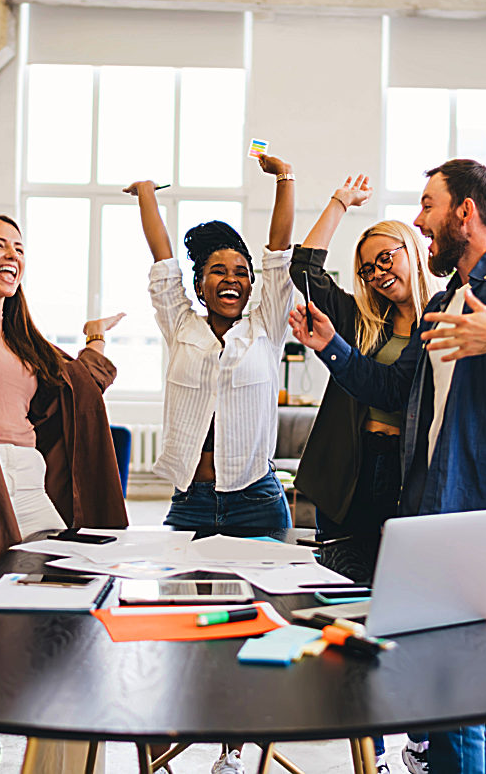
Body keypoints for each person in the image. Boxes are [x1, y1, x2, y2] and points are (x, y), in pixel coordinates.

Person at [290, 158, 486, 774]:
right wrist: (332, 348)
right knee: (465, 673)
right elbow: (394, 388)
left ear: (464, 212)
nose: (420, 222)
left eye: (428, 206)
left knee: (449, 677)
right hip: (445, 515)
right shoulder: (445, 302)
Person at [125, 155, 294, 774]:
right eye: (218, 271)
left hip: (254, 501)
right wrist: (145, 192)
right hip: (191, 502)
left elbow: (279, 253)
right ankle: (168, 739)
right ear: (202, 286)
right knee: (181, 625)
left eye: (240, 272)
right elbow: (163, 262)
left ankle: (233, 751)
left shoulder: (268, 326)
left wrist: (284, 180)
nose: (232, 278)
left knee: (254, 632)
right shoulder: (181, 326)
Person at [290, 175, 438, 584]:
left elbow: (394, 390)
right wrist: (339, 201)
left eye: (385, 259)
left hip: (406, 473)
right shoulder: (362, 319)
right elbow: (304, 271)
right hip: (351, 469)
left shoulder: (441, 321)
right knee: (340, 586)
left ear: (410, 249)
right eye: (368, 269)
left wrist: (333, 348)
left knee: (396, 587)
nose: (377, 274)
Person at [0, 213, 129, 545]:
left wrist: (96, 335)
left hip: (31, 475)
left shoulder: (22, 338)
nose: (12, 255)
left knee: (57, 574)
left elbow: (79, 386)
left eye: (19, 249)